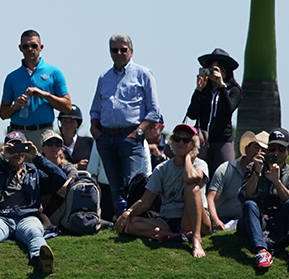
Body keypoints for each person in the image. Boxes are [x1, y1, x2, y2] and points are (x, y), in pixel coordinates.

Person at [0, 132, 68, 275]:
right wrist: (0, 156)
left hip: (27, 217)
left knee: (35, 232)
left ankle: (43, 261)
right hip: (1, 217)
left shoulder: (34, 172)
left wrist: (37, 158)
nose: (18, 153)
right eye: (13, 148)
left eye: (21, 148)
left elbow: (60, 178)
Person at [115, 123, 210, 258]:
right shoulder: (162, 168)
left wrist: (188, 158)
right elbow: (145, 202)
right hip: (167, 220)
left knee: (192, 187)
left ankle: (195, 239)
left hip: (195, 219)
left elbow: (190, 178)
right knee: (130, 224)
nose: (181, 143)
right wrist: (127, 213)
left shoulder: (200, 164)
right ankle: (177, 236)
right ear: (172, 142)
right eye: (177, 139)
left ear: (193, 145)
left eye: (186, 140)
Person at [89, 33, 161, 209]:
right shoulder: (104, 77)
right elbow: (95, 109)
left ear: (131, 51)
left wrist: (138, 132)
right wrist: (95, 129)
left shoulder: (143, 74)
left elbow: (154, 111)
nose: (119, 53)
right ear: (110, 52)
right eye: (115, 50)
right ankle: (120, 220)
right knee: (114, 186)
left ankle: (134, 221)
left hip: (131, 136)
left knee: (133, 184)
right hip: (106, 137)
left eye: (123, 49)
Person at [238, 127, 289, 273]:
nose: (276, 153)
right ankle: (261, 251)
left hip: (279, 222)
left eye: (281, 149)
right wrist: (256, 172)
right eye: (272, 148)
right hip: (256, 220)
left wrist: (276, 181)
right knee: (249, 204)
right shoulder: (254, 166)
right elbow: (244, 195)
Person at [0, 29, 71, 148]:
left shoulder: (54, 73)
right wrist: (15, 106)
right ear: (20, 48)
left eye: (34, 45)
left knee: (45, 166)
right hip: (18, 134)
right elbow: (2, 114)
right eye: (25, 46)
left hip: (44, 132)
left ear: (41, 47)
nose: (30, 49)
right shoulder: (12, 77)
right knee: (17, 167)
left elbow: (67, 107)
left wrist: (45, 95)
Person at [185, 48, 242, 174]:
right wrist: (198, 90)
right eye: (211, 69)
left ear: (225, 71)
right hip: (201, 140)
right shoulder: (204, 90)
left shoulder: (233, 90)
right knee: (197, 175)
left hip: (222, 140)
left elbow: (228, 109)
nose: (213, 73)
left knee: (224, 175)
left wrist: (222, 86)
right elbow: (192, 114)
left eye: (217, 69)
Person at [207, 131, 265, 231]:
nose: (259, 152)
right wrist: (216, 221)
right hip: (224, 219)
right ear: (247, 149)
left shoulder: (267, 174)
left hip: (249, 220)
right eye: (256, 147)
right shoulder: (226, 169)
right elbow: (211, 198)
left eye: (264, 150)